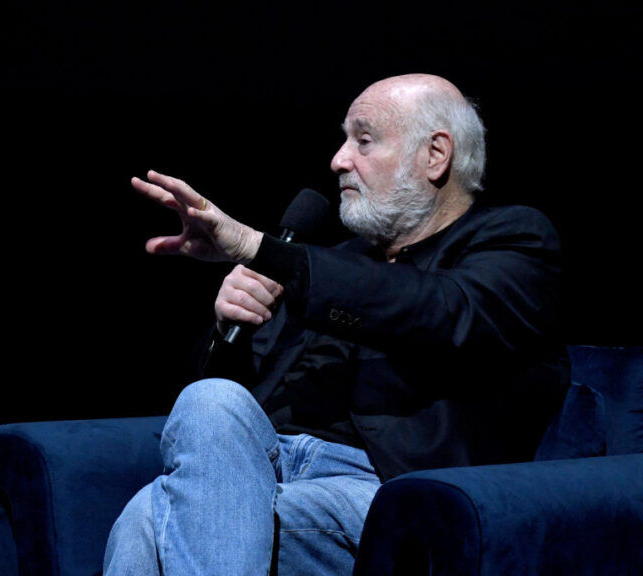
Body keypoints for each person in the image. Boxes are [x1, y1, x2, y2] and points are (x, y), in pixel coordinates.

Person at [103, 73, 568, 576]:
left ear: (435, 155)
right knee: (208, 400)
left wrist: (260, 249)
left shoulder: (513, 241)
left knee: (148, 516)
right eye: (343, 139)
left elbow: (440, 310)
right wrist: (228, 327)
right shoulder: (330, 264)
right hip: (263, 467)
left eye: (363, 140)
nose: (339, 159)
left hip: (384, 489)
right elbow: (231, 405)